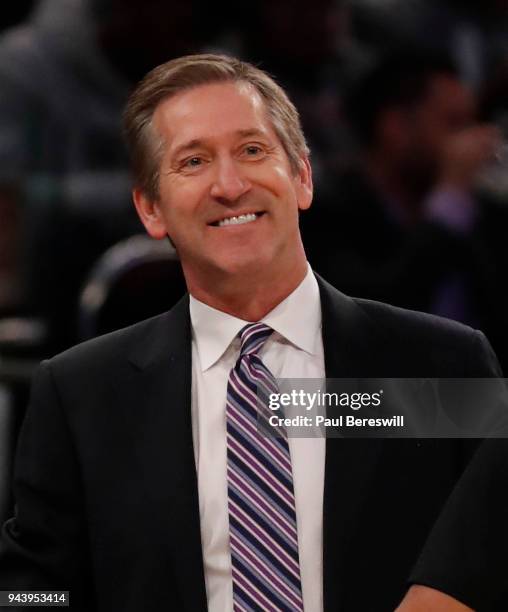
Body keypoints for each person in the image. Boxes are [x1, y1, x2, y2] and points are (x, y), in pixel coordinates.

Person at [0, 53, 504, 611]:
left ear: (303, 177)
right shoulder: (81, 395)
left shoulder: (438, 364)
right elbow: (33, 588)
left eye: (253, 150)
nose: (230, 184)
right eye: (193, 161)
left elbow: (493, 548)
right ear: (150, 208)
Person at [303, 51, 508, 373]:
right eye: (455, 124)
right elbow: (372, 318)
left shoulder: (480, 211)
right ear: (395, 127)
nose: (474, 142)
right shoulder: (327, 214)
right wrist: (448, 203)